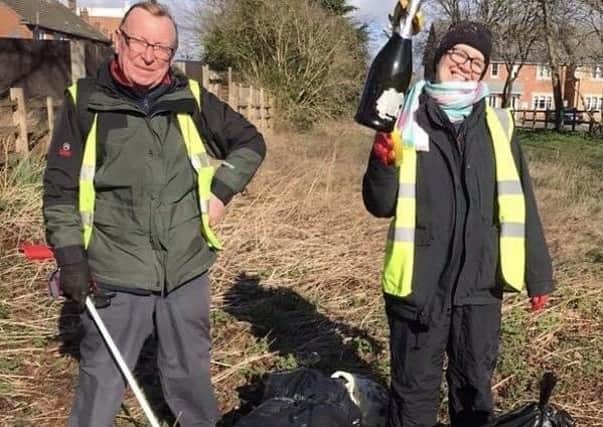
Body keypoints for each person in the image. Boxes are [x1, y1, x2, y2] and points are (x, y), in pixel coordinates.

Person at [42, 1, 266, 425]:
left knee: (190, 374)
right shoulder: (86, 104)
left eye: (162, 48)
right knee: (102, 376)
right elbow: (60, 190)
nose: (149, 55)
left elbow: (250, 143)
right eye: (140, 42)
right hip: (115, 270)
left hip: (185, 267)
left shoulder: (190, 98)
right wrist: (71, 259)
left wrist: (220, 193)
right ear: (118, 40)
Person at [362, 21, 553, 427]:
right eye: (458, 55)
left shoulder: (498, 125)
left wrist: (539, 276)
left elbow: (523, 201)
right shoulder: (404, 118)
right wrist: (383, 160)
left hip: (480, 287)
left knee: (474, 390)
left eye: (477, 61)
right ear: (437, 60)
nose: (466, 66)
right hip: (419, 286)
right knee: (413, 393)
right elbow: (379, 205)